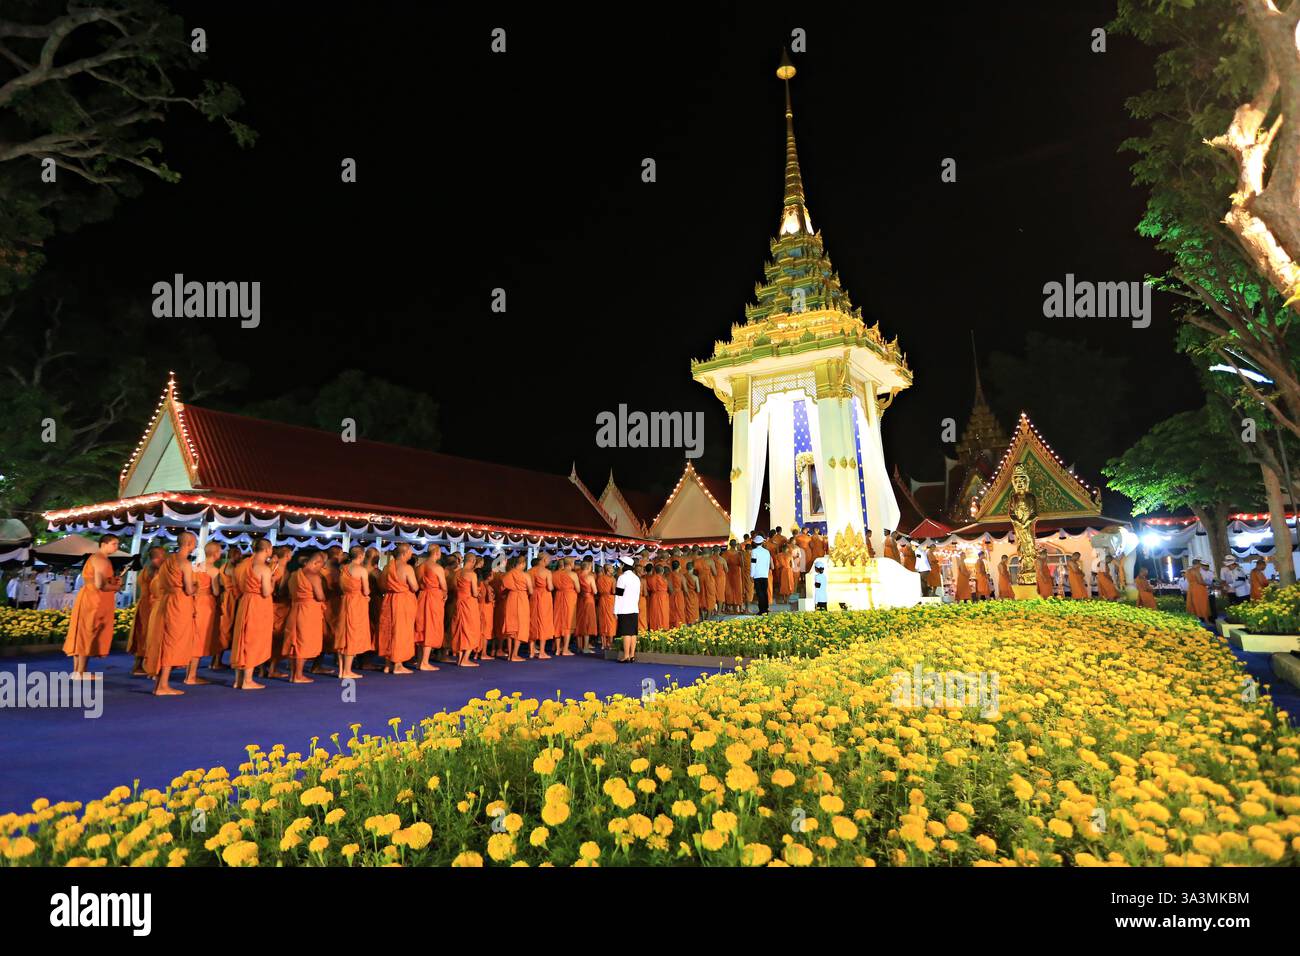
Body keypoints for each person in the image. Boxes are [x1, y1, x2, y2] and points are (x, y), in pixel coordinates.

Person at [63, 534, 122, 678]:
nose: (117, 547)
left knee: (83, 632)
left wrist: (112, 581)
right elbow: (100, 584)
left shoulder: (97, 558)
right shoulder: (100, 559)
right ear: (104, 544)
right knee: (88, 633)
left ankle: (78, 671)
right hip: (94, 600)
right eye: (114, 544)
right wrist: (117, 587)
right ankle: (81, 672)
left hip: (89, 597)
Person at [149, 532, 199, 697]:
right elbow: (189, 589)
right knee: (172, 640)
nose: (195, 546)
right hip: (179, 603)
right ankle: (162, 684)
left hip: (166, 600)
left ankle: (160, 682)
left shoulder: (167, 561)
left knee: (164, 639)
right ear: (189, 543)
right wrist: (196, 587)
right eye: (194, 543)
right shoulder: (184, 563)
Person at [231, 538, 275, 690]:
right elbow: (266, 591)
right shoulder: (263, 568)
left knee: (242, 638)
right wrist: (273, 584)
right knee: (252, 639)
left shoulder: (242, 566)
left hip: (244, 602)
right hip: (258, 604)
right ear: (267, 549)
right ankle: (248, 680)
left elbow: (236, 586)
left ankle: (238, 680)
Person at [377, 543, 419, 673]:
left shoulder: (386, 567)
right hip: (403, 601)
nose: (411, 554)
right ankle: (398, 665)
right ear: (404, 553)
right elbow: (415, 587)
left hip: (389, 599)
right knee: (401, 631)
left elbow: (382, 586)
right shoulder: (407, 568)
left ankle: (387, 664)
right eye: (410, 552)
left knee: (389, 629)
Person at [189, 540, 223, 684]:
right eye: (220, 551)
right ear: (215, 554)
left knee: (190, 636)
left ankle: (189, 672)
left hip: (192, 602)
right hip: (205, 605)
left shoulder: (195, 567)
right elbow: (215, 591)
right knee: (199, 638)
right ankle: (191, 676)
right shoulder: (214, 571)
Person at [335, 546, 371, 680]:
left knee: (342, 635)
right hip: (356, 603)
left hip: (345, 601)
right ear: (361, 556)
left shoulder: (343, 569)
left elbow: (341, 587)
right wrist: (366, 596)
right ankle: (347, 671)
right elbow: (366, 591)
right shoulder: (361, 570)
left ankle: (341, 670)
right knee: (352, 635)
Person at [129, 546, 165, 675]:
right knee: (147, 635)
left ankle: (140, 665)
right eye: (162, 556)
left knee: (143, 634)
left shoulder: (146, 570)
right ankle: (146, 665)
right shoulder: (153, 571)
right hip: (149, 606)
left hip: (145, 604)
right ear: (156, 558)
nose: (164, 558)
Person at [414, 545, 446, 672]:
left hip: (422, 596)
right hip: (433, 597)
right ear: (437, 553)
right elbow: (443, 586)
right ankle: (425, 662)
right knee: (430, 627)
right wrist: (444, 594)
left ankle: (420, 661)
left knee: (422, 626)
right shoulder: (437, 567)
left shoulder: (420, 567)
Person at [450, 553, 480, 667]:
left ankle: (459, 659)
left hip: (459, 602)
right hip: (469, 603)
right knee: (471, 629)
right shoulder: (472, 574)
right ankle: (465, 659)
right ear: (472, 561)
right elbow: (475, 593)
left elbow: (454, 588)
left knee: (460, 629)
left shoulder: (457, 573)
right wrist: (478, 591)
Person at [613, 555, 641, 662]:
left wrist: (615, 610)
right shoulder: (636, 578)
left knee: (626, 633)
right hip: (634, 608)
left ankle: (626, 656)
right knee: (633, 633)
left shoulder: (622, 578)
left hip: (624, 608)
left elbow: (618, 595)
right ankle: (632, 655)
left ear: (624, 565)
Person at [528, 557, 555, 659]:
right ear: (543, 560)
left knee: (533, 622)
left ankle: (531, 652)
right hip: (544, 597)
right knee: (543, 622)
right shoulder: (547, 572)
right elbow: (550, 587)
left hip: (533, 597)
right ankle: (542, 652)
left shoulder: (529, 571)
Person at [552, 557, 579, 656]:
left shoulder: (555, 574)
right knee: (568, 622)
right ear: (571, 563)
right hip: (569, 598)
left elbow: (552, 587)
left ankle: (558, 649)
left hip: (558, 597)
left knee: (558, 621)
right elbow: (578, 589)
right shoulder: (573, 574)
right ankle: (565, 649)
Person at [596, 564, 616, 651]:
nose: (613, 569)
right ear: (608, 570)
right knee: (611, 621)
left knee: (603, 620)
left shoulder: (599, 579)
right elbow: (614, 591)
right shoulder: (612, 579)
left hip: (602, 599)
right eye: (611, 568)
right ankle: (610, 643)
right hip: (610, 600)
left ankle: (603, 644)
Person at [750, 533, 772, 614]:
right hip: (764, 574)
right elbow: (768, 563)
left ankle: (762, 610)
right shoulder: (767, 552)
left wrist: (751, 575)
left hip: (757, 575)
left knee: (760, 593)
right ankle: (765, 609)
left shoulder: (754, 551)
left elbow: (753, 563)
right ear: (762, 542)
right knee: (765, 592)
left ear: (755, 543)